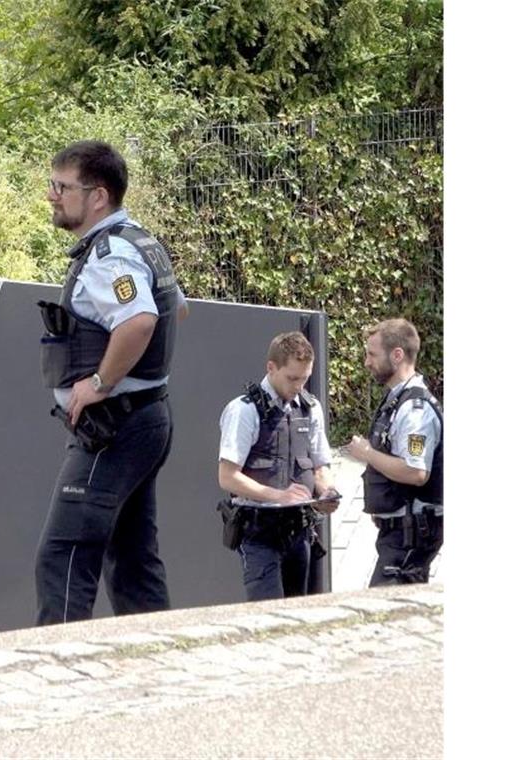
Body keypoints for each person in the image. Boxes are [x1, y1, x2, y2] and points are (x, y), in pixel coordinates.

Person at [34, 139, 189, 625]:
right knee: (133, 563)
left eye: (62, 187)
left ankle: (62, 676)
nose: (52, 196)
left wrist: (100, 381)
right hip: (144, 418)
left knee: (63, 559)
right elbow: (177, 308)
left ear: (97, 196)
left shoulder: (109, 255)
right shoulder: (138, 239)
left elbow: (141, 319)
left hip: (113, 430)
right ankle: (154, 663)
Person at [217, 331, 340, 601]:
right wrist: (280, 497)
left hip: (300, 531)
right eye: (292, 378)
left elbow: (320, 466)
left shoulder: (311, 408)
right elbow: (227, 477)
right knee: (267, 615)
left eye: (305, 378)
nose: (298, 385)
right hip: (259, 533)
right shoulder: (244, 410)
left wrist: (328, 492)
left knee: (299, 616)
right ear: (271, 368)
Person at [344, 318, 442, 585]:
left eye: (372, 354)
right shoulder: (397, 400)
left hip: (410, 537)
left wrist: (367, 453)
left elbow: (416, 471)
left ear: (397, 355)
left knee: (385, 614)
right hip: (398, 535)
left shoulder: (415, 412)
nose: (366, 362)